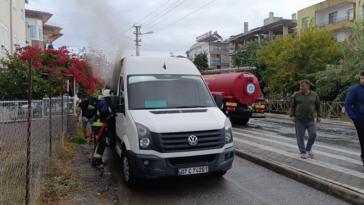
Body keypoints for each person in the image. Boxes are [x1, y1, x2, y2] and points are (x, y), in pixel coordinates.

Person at [291, 80, 322, 159]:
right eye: (300, 86)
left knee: (313, 135)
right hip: (299, 120)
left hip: (310, 120)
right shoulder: (297, 95)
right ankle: (303, 151)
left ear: (308, 87)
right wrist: (293, 115)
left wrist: (319, 115)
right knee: (300, 137)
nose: (300, 88)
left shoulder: (314, 95)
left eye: (302, 86)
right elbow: (293, 106)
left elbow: (318, 105)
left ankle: (308, 148)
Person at [344, 71, 364, 167]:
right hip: (359, 118)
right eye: (361, 78)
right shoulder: (354, 89)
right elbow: (347, 103)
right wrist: (353, 117)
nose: (363, 80)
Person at [91, 89, 111, 169]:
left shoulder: (101, 101)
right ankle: (95, 162)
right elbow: (104, 113)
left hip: (98, 125)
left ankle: (99, 160)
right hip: (99, 125)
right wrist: (109, 117)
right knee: (100, 143)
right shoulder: (104, 102)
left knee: (101, 143)